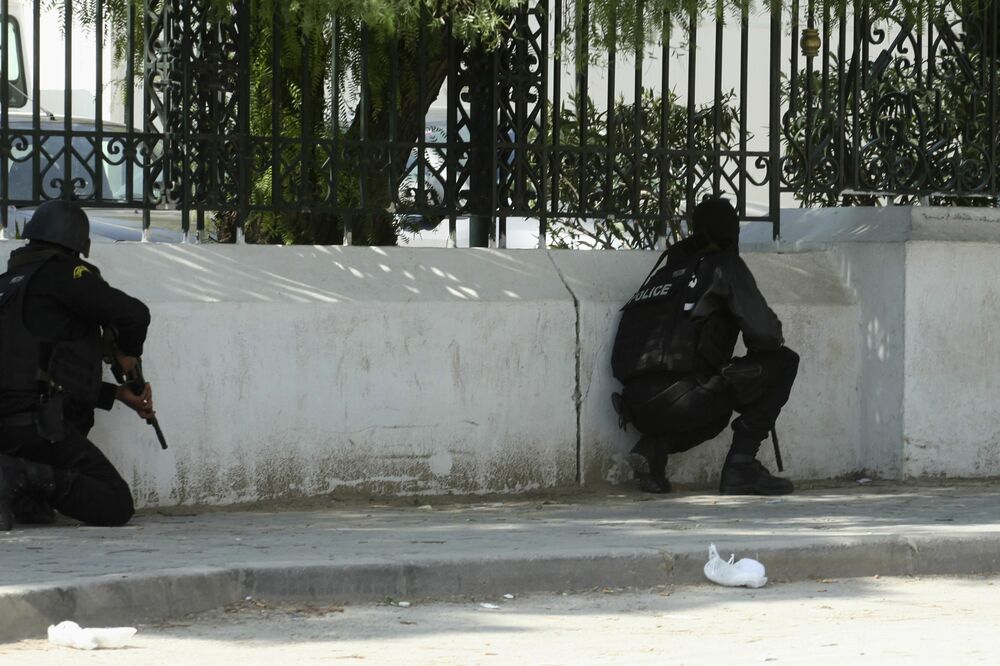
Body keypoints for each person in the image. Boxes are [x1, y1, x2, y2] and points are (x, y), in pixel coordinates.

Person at [611, 198, 799, 496]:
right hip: (685, 399)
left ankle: (654, 448)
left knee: (715, 414)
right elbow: (766, 335)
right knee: (785, 361)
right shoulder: (723, 265)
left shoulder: (665, 272)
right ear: (733, 232)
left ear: (695, 229)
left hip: (635, 406)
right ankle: (741, 467)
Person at [0, 200, 153, 530]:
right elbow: (134, 314)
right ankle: (13, 474)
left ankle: (20, 486)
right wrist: (128, 353)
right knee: (115, 504)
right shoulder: (65, 274)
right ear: (76, 243)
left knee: (40, 508)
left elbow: (35, 370)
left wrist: (116, 394)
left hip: (8, 427)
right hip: (38, 428)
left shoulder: (8, 284)